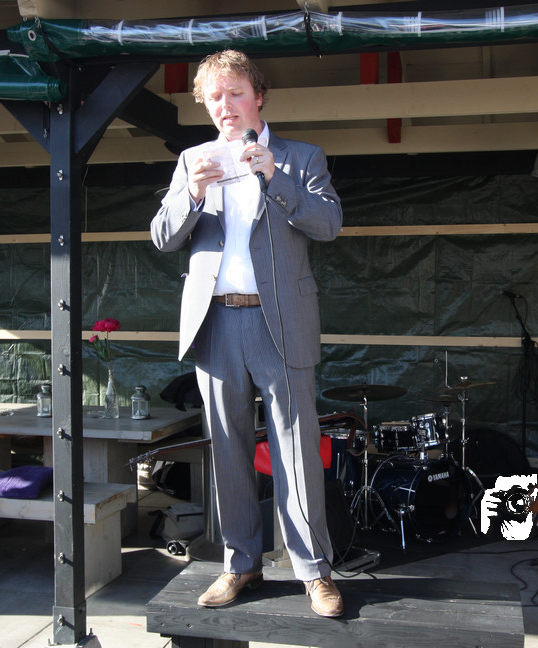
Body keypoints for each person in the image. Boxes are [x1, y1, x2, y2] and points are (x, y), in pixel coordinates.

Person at [150, 50, 344, 618]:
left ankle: (314, 570)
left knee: (296, 449)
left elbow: (329, 223)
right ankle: (240, 564)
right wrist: (191, 195)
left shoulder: (300, 157)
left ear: (258, 97)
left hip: (279, 319)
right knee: (228, 450)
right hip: (215, 322)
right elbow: (162, 236)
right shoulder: (192, 160)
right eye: (215, 97)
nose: (225, 105)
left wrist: (274, 178)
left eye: (235, 93)